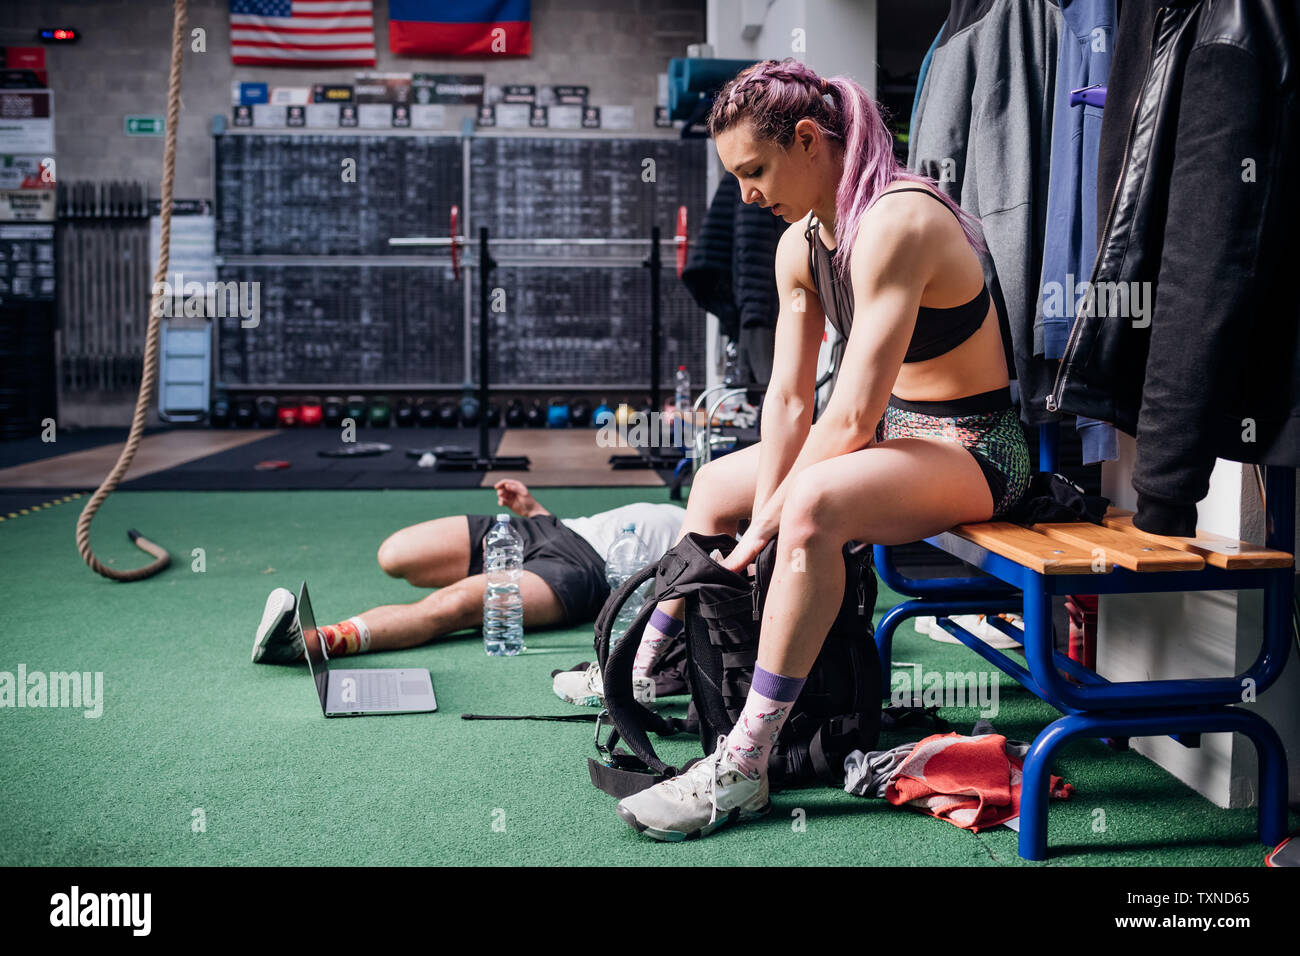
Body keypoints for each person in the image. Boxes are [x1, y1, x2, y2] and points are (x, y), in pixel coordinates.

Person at [615, 58, 1033, 841]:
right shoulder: (801, 243)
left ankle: (746, 761)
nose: (745, 194)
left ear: (808, 139)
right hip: (896, 438)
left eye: (755, 171)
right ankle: (652, 669)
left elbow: (849, 418)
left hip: (977, 449)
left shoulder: (901, 221)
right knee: (712, 487)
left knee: (809, 505)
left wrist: (771, 525)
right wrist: (754, 525)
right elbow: (789, 400)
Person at [250, 479, 685, 665]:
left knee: (452, 605)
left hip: (583, 573)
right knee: (395, 554)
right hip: (551, 528)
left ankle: (309, 642)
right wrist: (534, 510)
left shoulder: (739, 543)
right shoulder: (711, 499)